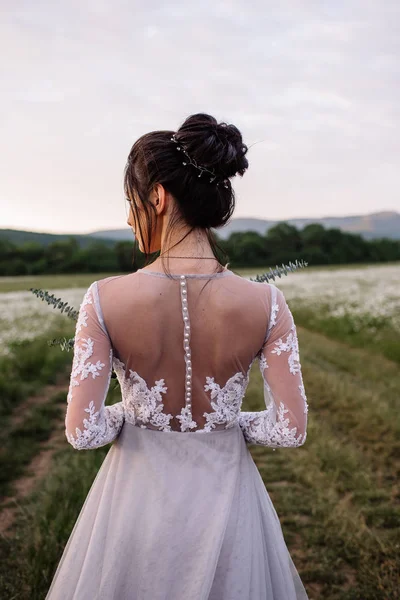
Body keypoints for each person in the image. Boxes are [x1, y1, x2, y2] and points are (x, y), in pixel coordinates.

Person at [45, 113, 309, 599]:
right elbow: (290, 430)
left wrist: (136, 411)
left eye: (132, 202)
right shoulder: (267, 304)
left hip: (136, 504)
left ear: (159, 197)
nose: (128, 219)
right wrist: (224, 420)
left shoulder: (103, 298)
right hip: (228, 503)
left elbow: (83, 434)